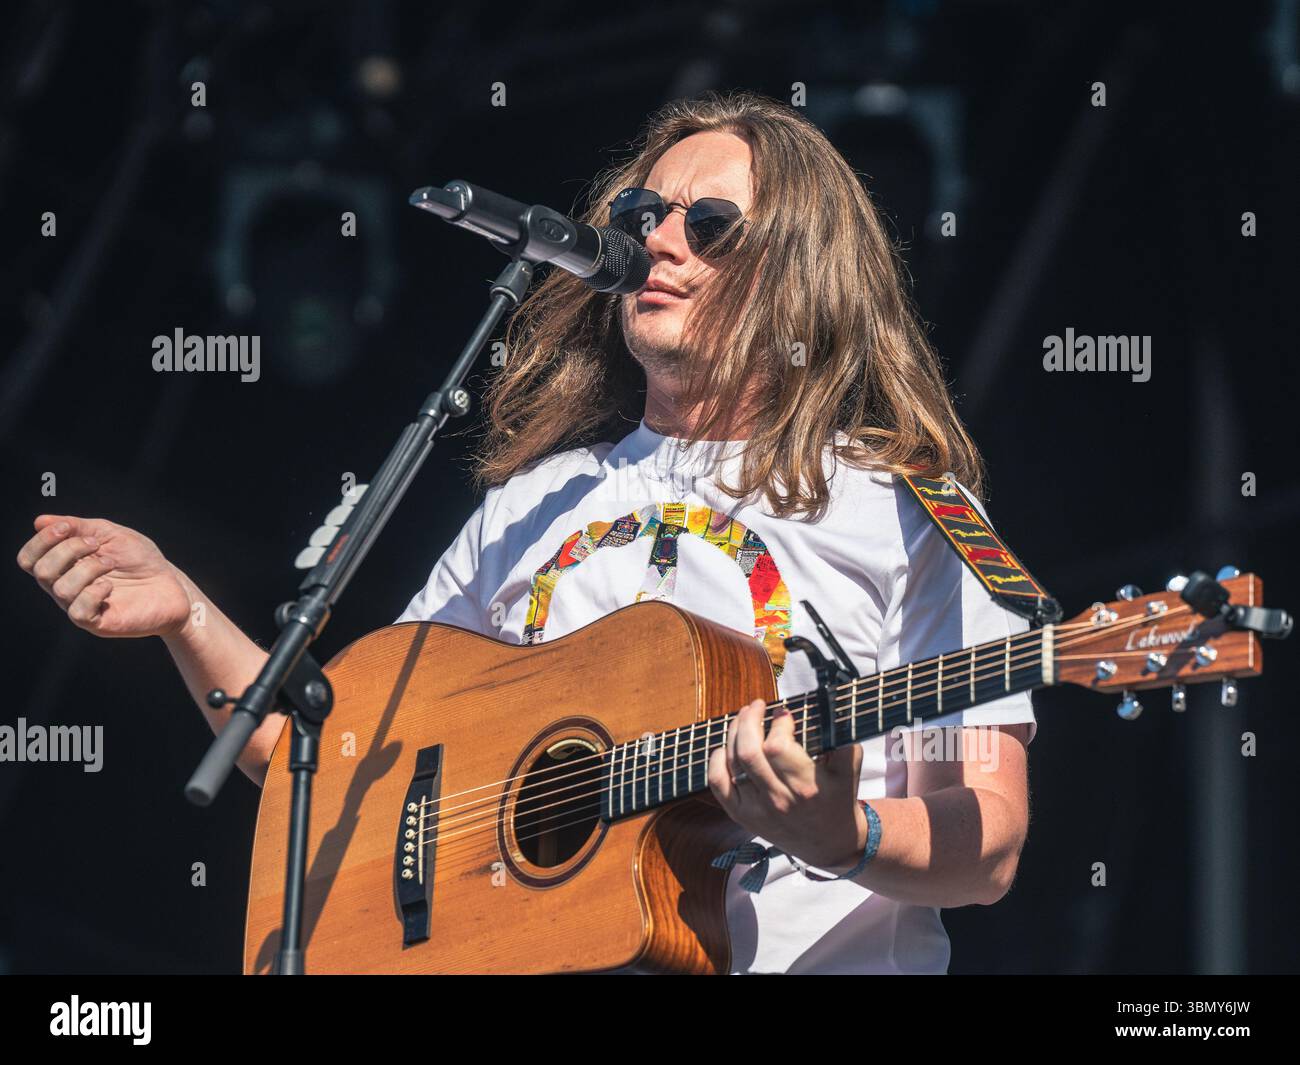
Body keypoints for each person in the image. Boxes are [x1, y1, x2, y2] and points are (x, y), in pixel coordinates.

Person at [17, 91, 1033, 974]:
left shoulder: (906, 506)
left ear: (801, 270)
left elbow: (987, 844)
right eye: (643, 214)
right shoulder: (533, 505)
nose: (659, 241)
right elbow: (334, 768)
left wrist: (839, 830)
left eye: (711, 224)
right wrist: (187, 615)